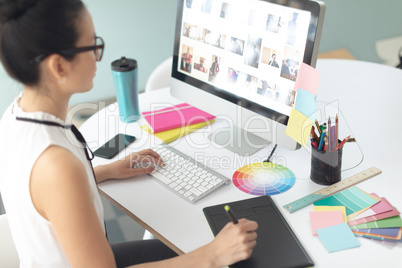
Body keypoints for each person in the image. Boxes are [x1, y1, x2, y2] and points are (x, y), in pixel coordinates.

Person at [0, 1, 258, 267]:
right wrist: (212, 256)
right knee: (221, 256)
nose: (99, 55)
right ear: (59, 67)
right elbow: (57, 178)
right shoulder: (57, 165)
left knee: (188, 246)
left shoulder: (15, 116)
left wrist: (107, 170)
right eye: (93, 45)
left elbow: (46, 195)